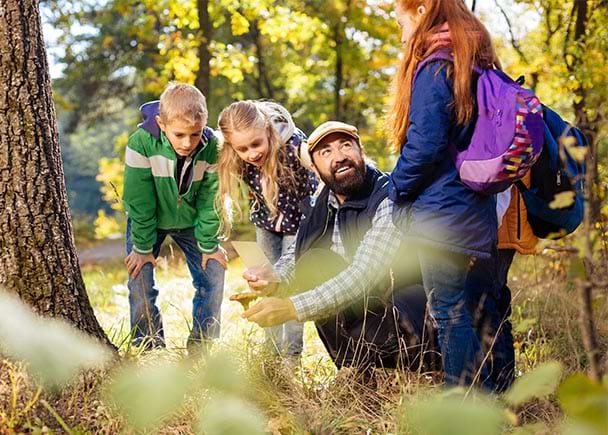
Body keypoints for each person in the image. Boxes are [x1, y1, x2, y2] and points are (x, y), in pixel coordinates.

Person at [241, 121, 436, 373]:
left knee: (403, 297)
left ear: (360, 151)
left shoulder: (388, 197)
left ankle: (400, 372)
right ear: (313, 167)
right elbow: (297, 252)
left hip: (406, 315)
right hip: (367, 312)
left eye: (346, 146)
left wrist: (292, 308)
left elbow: (364, 275)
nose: (340, 157)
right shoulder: (323, 203)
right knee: (314, 262)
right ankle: (356, 371)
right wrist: (274, 278)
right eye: (326, 152)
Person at [387, 0, 501, 387]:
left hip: (442, 211)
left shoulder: (437, 65)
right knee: (472, 306)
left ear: (420, 12)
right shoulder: (474, 60)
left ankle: (466, 403)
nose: (398, 27)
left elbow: (426, 143)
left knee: (448, 308)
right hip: (474, 207)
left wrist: (395, 187)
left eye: (399, 17)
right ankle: (491, 396)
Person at [122, 83, 226, 351]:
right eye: (179, 134)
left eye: (195, 134)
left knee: (213, 274)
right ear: (161, 123)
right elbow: (139, 200)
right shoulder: (141, 143)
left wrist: (208, 244)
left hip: (192, 221)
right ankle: (149, 347)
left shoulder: (212, 146)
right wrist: (143, 248)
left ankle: (201, 349)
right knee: (140, 282)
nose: (187, 143)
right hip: (149, 222)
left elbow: (210, 198)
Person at [216, 100, 317, 357]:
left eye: (256, 144)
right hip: (265, 223)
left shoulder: (294, 147)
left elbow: (319, 165)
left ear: (267, 131)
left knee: (291, 284)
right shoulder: (234, 156)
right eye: (243, 148)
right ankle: (270, 355)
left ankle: (291, 358)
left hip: (298, 223)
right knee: (264, 283)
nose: (252, 153)